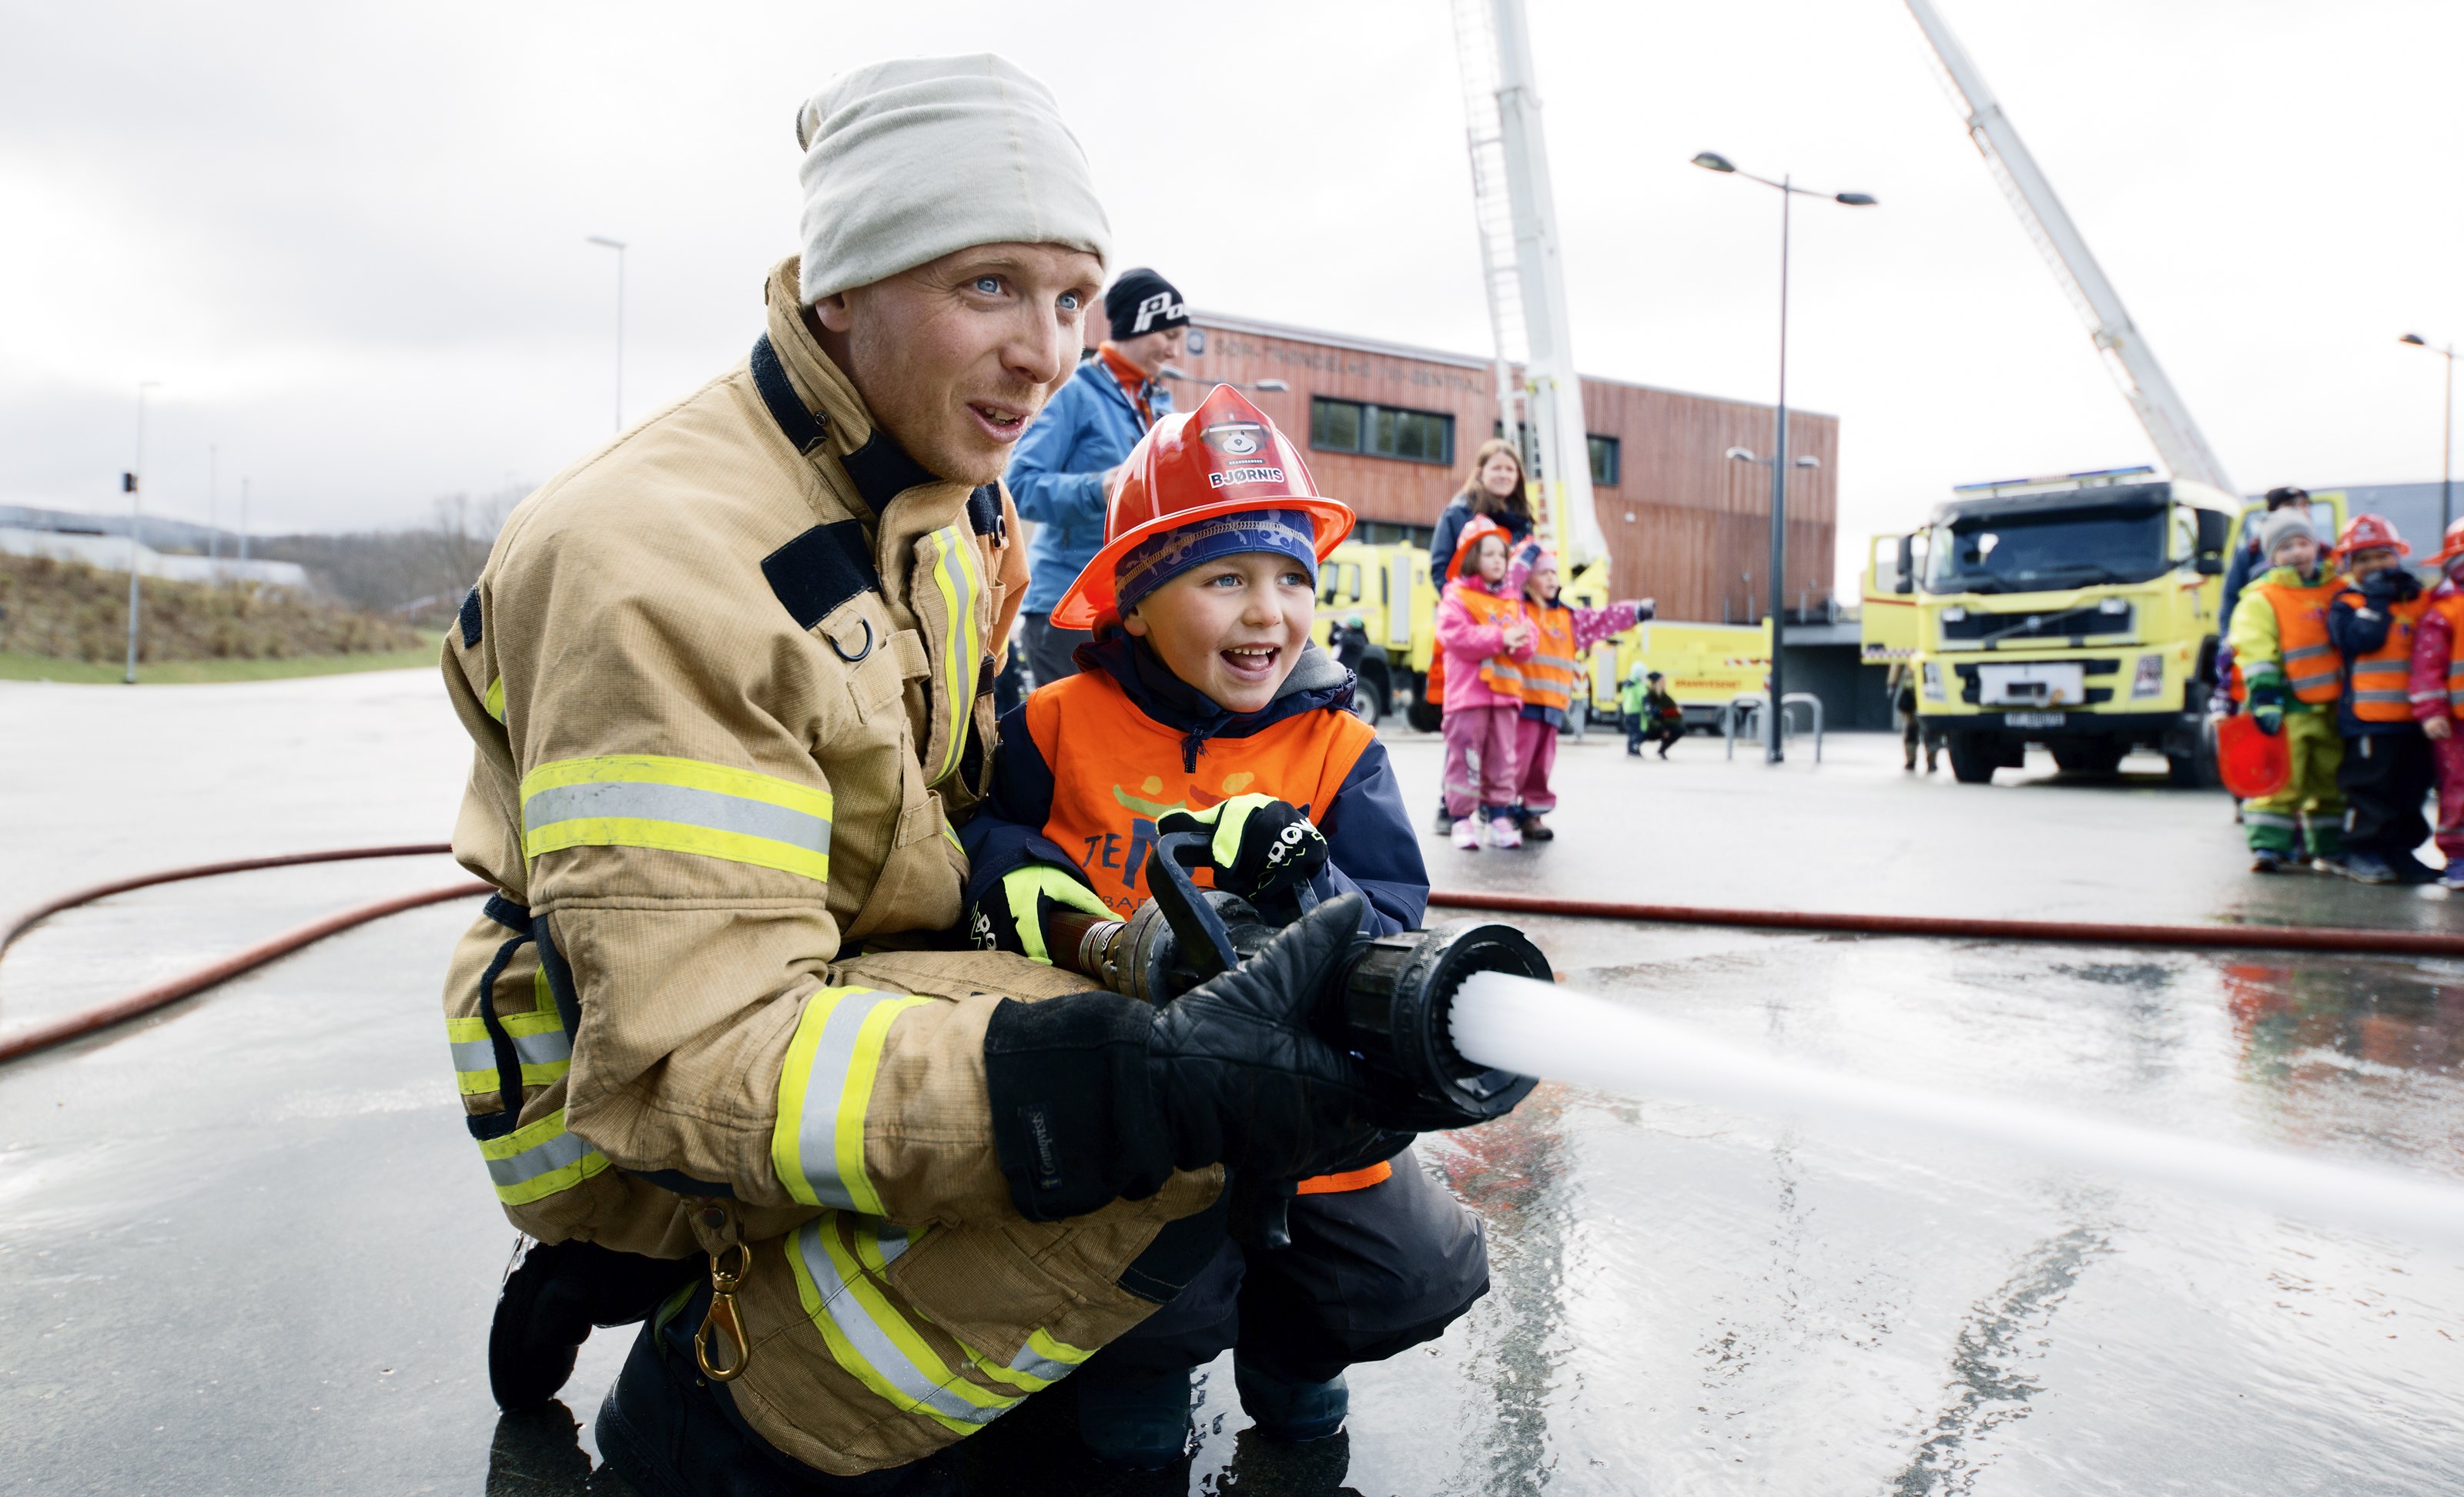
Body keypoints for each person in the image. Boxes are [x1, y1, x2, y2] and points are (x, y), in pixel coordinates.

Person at [444, 57, 1399, 1495]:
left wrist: (1054, 893)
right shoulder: (652, 566)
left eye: (1073, 297)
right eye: (991, 289)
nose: (1052, 353)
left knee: (1192, 1069)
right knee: (1158, 1131)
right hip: (632, 1062)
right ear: (845, 288)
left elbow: (937, 792)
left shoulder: (950, 501)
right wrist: (1116, 1081)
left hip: (833, 973)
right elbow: (687, 1054)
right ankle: (723, 1406)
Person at [956, 385, 1481, 1469]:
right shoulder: (1053, 727)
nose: (1268, 612)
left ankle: (1299, 1415)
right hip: (1141, 1112)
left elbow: (1391, 920)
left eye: (1294, 576)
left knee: (1383, 1285)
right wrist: (1024, 879)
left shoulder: (1340, 752)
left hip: (1302, 1118)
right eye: (1226, 577)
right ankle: (1133, 1442)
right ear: (1134, 604)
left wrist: (1305, 872)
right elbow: (986, 833)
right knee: (1144, 1332)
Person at [1006, 266, 1190, 688]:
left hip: (1136, 606)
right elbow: (1017, 485)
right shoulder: (1073, 391)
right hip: (1069, 607)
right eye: (1170, 336)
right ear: (1141, 324)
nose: (1175, 353)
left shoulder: (1159, 404)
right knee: (1079, 751)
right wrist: (1100, 488)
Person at [1423, 439, 1537, 832]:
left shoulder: (1523, 520)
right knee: (1465, 726)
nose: (1504, 475)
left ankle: (1503, 806)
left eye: (1511, 469)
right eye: (1497, 468)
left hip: (1513, 632)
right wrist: (1470, 609)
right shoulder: (1459, 513)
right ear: (1481, 471)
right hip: (1471, 625)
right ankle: (1453, 806)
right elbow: (1442, 568)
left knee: (1505, 733)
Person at [2227, 508, 2344, 874]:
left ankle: (2328, 848)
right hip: (2289, 707)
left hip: (2333, 707)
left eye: (2302, 543)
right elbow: (2256, 651)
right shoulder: (2262, 598)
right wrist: (2264, 699)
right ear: (2271, 556)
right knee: (2280, 780)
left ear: (2316, 545)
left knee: (2329, 781)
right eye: (2285, 547)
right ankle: (2268, 847)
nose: (2295, 553)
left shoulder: (2338, 589)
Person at [2322, 513, 2438, 883]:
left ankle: (2399, 852)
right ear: (2349, 566)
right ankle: (2361, 851)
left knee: (2411, 789)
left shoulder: (2417, 599)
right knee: (2370, 790)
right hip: (2369, 719)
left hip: (2415, 718)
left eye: (2382, 556)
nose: (2375, 565)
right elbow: (2361, 640)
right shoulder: (2348, 603)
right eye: (2364, 559)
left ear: (2398, 555)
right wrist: (2377, 601)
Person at [1508, 544, 1648, 837]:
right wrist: (1524, 558)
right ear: (1527, 578)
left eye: (1554, 574)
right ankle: (1502, 812)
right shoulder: (1517, 609)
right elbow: (1509, 586)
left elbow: (1602, 619)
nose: (1551, 579)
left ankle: (1532, 815)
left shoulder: (1569, 618)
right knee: (1514, 765)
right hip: (1522, 705)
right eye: (1543, 573)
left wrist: (1634, 611)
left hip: (1554, 707)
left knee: (1540, 768)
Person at [1435, 517, 1535, 849]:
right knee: (1466, 757)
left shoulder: (1512, 600)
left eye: (1502, 555)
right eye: (1488, 553)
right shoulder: (1456, 596)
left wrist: (1520, 640)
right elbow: (1455, 635)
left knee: (1502, 758)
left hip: (1505, 697)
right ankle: (1462, 819)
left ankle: (1499, 816)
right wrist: (1503, 637)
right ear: (1471, 556)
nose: (1497, 560)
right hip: (1468, 697)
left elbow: (1528, 644)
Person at [2409, 518, 2464, 888]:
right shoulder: (2442, 612)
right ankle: (2458, 857)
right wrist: (2430, 713)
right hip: (2454, 723)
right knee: (2457, 786)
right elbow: (2426, 667)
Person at [1884, 658, 1936, 772]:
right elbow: (1897, 663)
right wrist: (1892, 683)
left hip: (1928, 690)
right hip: (1912, 692)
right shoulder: (1907, 644)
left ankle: (1931, 761)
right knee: (1911, 729)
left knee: (1930, 730)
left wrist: (1893, 684)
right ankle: (1912, 760)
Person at [1632, 668, 1684, 758]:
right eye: (1663, 681)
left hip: (1662, 726)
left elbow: (1677, 715)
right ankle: (1635, 747)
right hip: (1650, 727)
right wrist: (1662, 728)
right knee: (1642, 729)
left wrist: (1665, 719)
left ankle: (1662, 750)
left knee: (1680, 728)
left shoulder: (1665, 698)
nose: (1665, 683)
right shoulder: (1648, 695)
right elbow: (1648, 716)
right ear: (1657, 683)